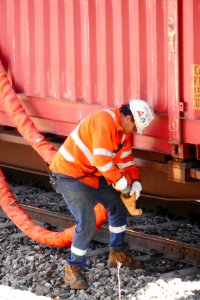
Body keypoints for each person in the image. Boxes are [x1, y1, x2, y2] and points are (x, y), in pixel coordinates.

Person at [49, 99, 154, 289]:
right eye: (135, 127)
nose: (135, 131)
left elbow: (125, 161)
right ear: (127, 117)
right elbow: (102, 161)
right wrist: (120, 181)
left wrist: (135, 181)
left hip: (90, 174)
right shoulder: (104, 122)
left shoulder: (123, 132)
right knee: (87, 221)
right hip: (68, 175)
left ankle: (117, 255)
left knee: (118, 206)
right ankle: (73, 270)